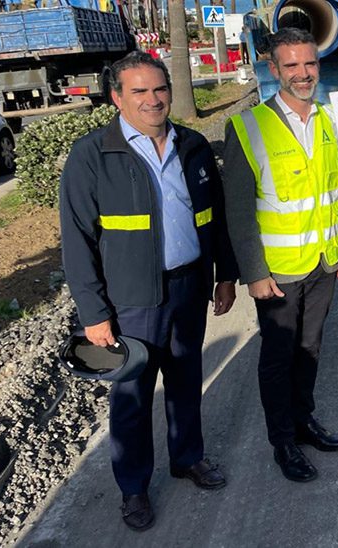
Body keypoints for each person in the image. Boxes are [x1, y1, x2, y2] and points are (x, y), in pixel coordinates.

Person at [59, 51, 238, 531]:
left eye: (159, 89)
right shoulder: (93, 155)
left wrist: (225, 275)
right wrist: (95, 313)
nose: (152, 100)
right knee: (132, 396)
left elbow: (213, 218)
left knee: (184, 381)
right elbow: (76, 243)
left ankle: (188, 458)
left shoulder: (195, 146)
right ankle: (134, 488)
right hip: (130, 302)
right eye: (139, 91)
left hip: (188, 288)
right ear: (117, 97)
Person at [221, 28, 338, 483]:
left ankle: (304, 421)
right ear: (274, 70)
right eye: (292, 66)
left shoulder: (329, 119)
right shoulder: (247, 126)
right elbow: (239, 210)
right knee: (278, 358)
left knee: (310, 348)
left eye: (309, 64)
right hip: (277, 271)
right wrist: (254, 274)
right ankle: (283, 441)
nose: (302, 74)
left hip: (324, 260)